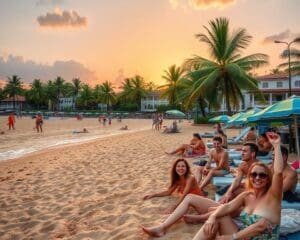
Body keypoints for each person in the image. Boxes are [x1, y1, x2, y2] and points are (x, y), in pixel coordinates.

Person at [192, 131, 283, 240]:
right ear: (249, 177)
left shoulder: (273, 197)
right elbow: (227, 207)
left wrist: (277, 146)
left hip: (247, 237)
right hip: (243, 237)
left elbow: (278, 173)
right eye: (253, 174)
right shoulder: (247, 195)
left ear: (268, 178)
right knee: (218, 216)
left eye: (262, 175)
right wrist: (212, 217)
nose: (257, 178)